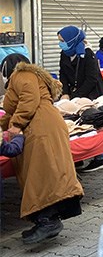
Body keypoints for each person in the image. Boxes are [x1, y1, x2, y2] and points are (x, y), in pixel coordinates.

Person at [0, 53, 84, 244]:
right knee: (49, 173)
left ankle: (47, 221)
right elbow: (15, 109)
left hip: (39, 128)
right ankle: (46, 219)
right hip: (44, 126)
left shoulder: (21, 75)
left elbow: (28, 100)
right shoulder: (30, 76)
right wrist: (4, 124)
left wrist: (16, 126)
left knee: (41, 175)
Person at [57, 25, 103, 172]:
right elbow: (63, 74)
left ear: (72, 40)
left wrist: (76, 96)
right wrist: (64, 92)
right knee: (75, 122)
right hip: (74, 93)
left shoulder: (88, 54)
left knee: (94, 122)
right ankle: (78, 158)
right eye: (60, 40)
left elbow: (91, 79)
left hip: (92, 92)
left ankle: (100, 159)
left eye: (63, 40)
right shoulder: (65, 53)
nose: (61, 43)